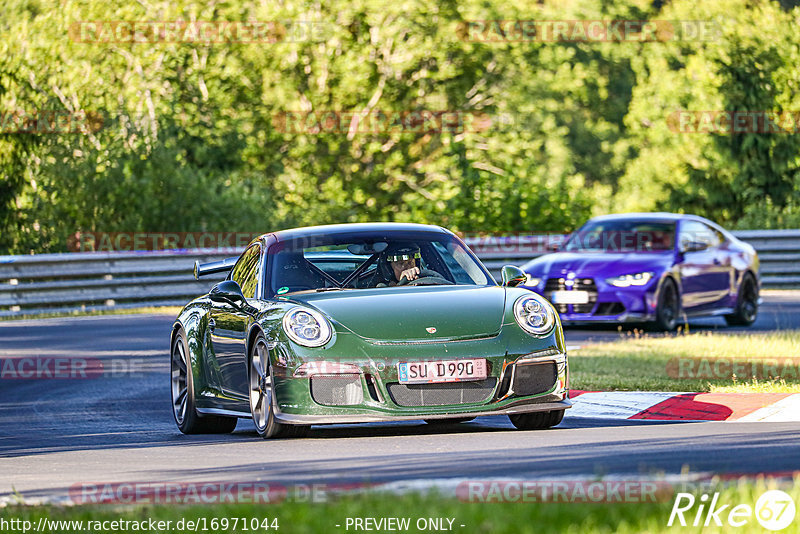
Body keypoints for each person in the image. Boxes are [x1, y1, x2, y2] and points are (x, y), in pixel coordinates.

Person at [371, 244, 445, 287]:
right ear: (389, 268)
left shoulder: (428, 284)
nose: (407, 268)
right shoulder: (381, 290)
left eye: (410, 262)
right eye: (401, 263)